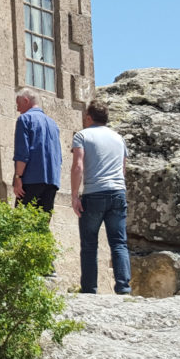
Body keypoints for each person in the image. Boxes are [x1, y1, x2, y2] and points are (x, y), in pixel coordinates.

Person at [70, 101, 130, 294]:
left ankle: (89, 289)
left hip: (94, 193)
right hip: (118, 191)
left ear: (88, 117)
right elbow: (122, 168)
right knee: (119, 243)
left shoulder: (82, 135)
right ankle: (123, 287)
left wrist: (74, 196)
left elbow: (78, 166)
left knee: (89, 244)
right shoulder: (119, 138)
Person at [9, 87, 61, 212]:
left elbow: (23, 153)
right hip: (52, 181)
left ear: (26, 100)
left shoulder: (25, 119)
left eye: (18, 104)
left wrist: (17, 177)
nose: (17, 109)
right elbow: (58, 156)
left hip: (31, 180)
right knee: (41, 227)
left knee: (21, 225)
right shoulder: (53, 124)